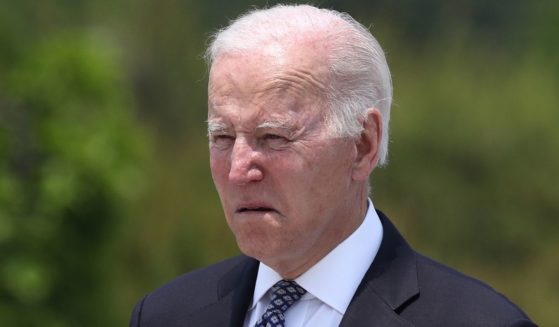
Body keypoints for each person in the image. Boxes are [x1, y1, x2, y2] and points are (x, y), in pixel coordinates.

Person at [129, 4, 536, 327]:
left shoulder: (480, 322)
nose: (238, 170)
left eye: (273, 138)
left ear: (362, 145)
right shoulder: (165, 315)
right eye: (222, 138)